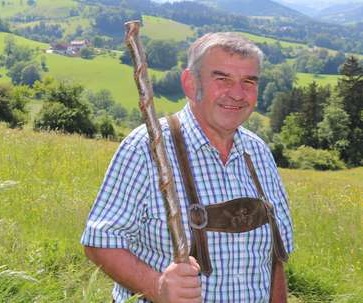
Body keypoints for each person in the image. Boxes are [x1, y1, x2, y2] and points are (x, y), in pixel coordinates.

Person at [81, 32, 294, 303]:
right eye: (222, 79)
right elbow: (100, 242)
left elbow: (275, 259)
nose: (238, 94)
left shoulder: (259, 153)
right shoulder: (148, 148)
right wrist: (157, 287)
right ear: (191, 84)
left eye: (248, 82)